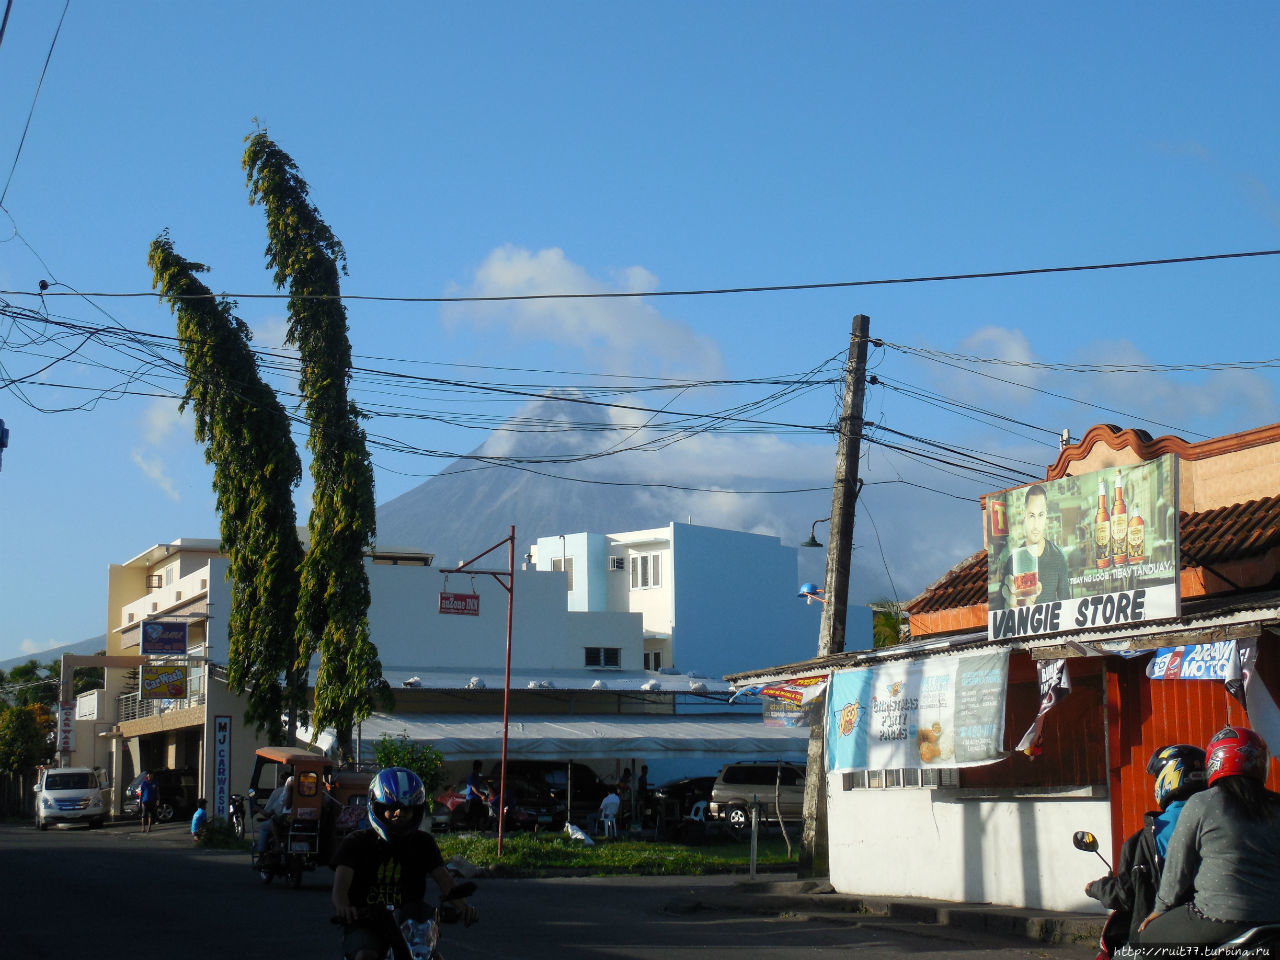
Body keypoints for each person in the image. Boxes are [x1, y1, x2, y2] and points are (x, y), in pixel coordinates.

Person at [1137, 726, 1280, 946]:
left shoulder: (1202, 803)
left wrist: (1160, 909)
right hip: (1274, 919)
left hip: (1220, 915)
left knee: (1145, 940)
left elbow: (1178, 869)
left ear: (1215, 762)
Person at [332, 767, 477, 960]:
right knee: (366, 956)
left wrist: (463, 907)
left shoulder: (423, 843)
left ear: (416, 811)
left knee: (434, 957)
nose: (398, 813)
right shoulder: (356, 842)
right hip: (365, 922)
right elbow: (340, 887)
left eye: (406, 809)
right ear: (377, 807)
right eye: (391, 808)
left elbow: (445, 881)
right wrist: (343, 907)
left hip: (412, 924)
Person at [1084, 744, 1206, 954]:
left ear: (1169, 777)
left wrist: (1096, 888)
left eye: (1157, 776)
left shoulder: (1151, 834)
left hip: (1165, 938)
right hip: (1223, 928)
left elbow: (1125, 894)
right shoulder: (1230, 819)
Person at [995, 484, 1070, 609]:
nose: (1036, 525)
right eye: (1031, 515)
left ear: (1046, 515)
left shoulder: (1058, 556)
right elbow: (1002, 608)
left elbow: (1067, 603)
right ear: (1024, 515)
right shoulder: (1013, 561)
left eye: (1040, 515)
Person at [256, 772, 294, 857]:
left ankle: (261, 854)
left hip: (285, 820)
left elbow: (269, 812)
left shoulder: (280, 791)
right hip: (298, 821)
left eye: (280, 779)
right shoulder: (302, 791)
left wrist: (257, 808)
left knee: (264, 827)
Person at [463, 760, 491, 828]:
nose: (481, 769)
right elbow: (473, 788)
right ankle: (470, 828)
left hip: (476, 798)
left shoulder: (477, 776)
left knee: (480, 815)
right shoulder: (472, 776)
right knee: (471, 816)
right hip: (471, 798)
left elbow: (477, 789)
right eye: (480, 767)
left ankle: (479, 828)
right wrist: (481, 795)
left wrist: (483, 793)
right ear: (478, 767)